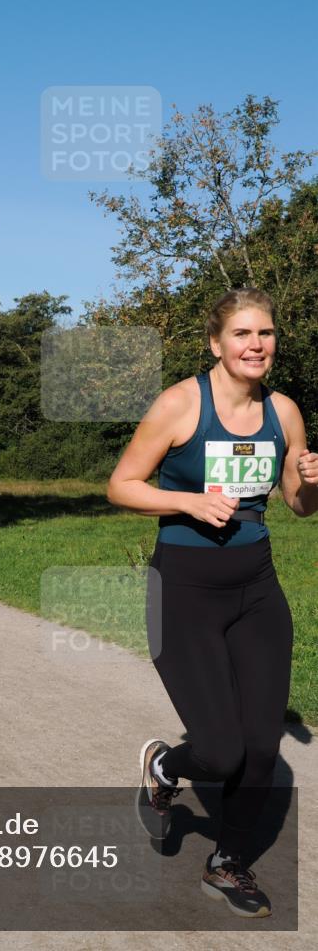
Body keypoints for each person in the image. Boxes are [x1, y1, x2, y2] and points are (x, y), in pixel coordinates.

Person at [107, 288, 317, 919]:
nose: (257, 345)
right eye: (243, 334)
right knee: (220, 751)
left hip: (256, 589)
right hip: (185, 591)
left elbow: (299, 507)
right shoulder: (180, 403)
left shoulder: (284, 412)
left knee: (260, 748)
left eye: (267, 334)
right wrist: (189, 502)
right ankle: (166, 768)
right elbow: (120, 485)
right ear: (217, 344)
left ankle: (228, 863)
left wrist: (308, 483)